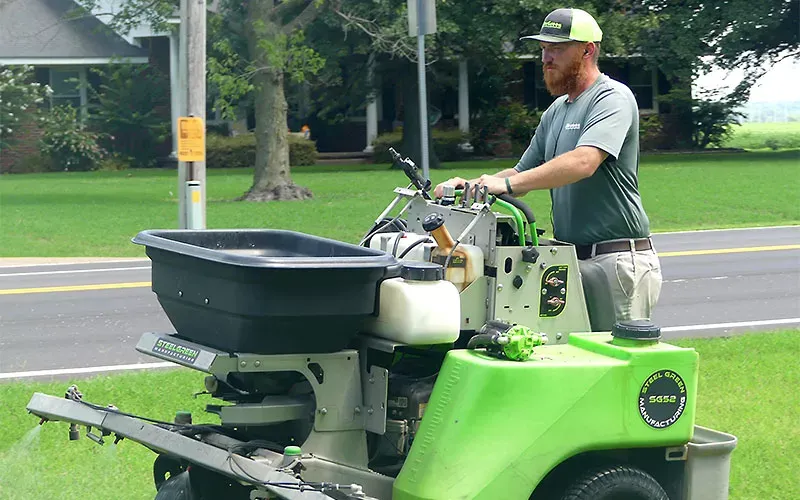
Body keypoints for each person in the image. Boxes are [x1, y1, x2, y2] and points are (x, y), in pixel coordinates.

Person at [434, 8, 662, 331]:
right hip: (570, 262)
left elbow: (584, 162)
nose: (546, 58)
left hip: (616, 261)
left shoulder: (612, 98)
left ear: (587, 50)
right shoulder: (556, 111)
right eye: (543, 49)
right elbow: (520, 174)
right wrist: (469, 185)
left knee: (617, 368)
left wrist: (508, 186)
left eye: (556, 48)